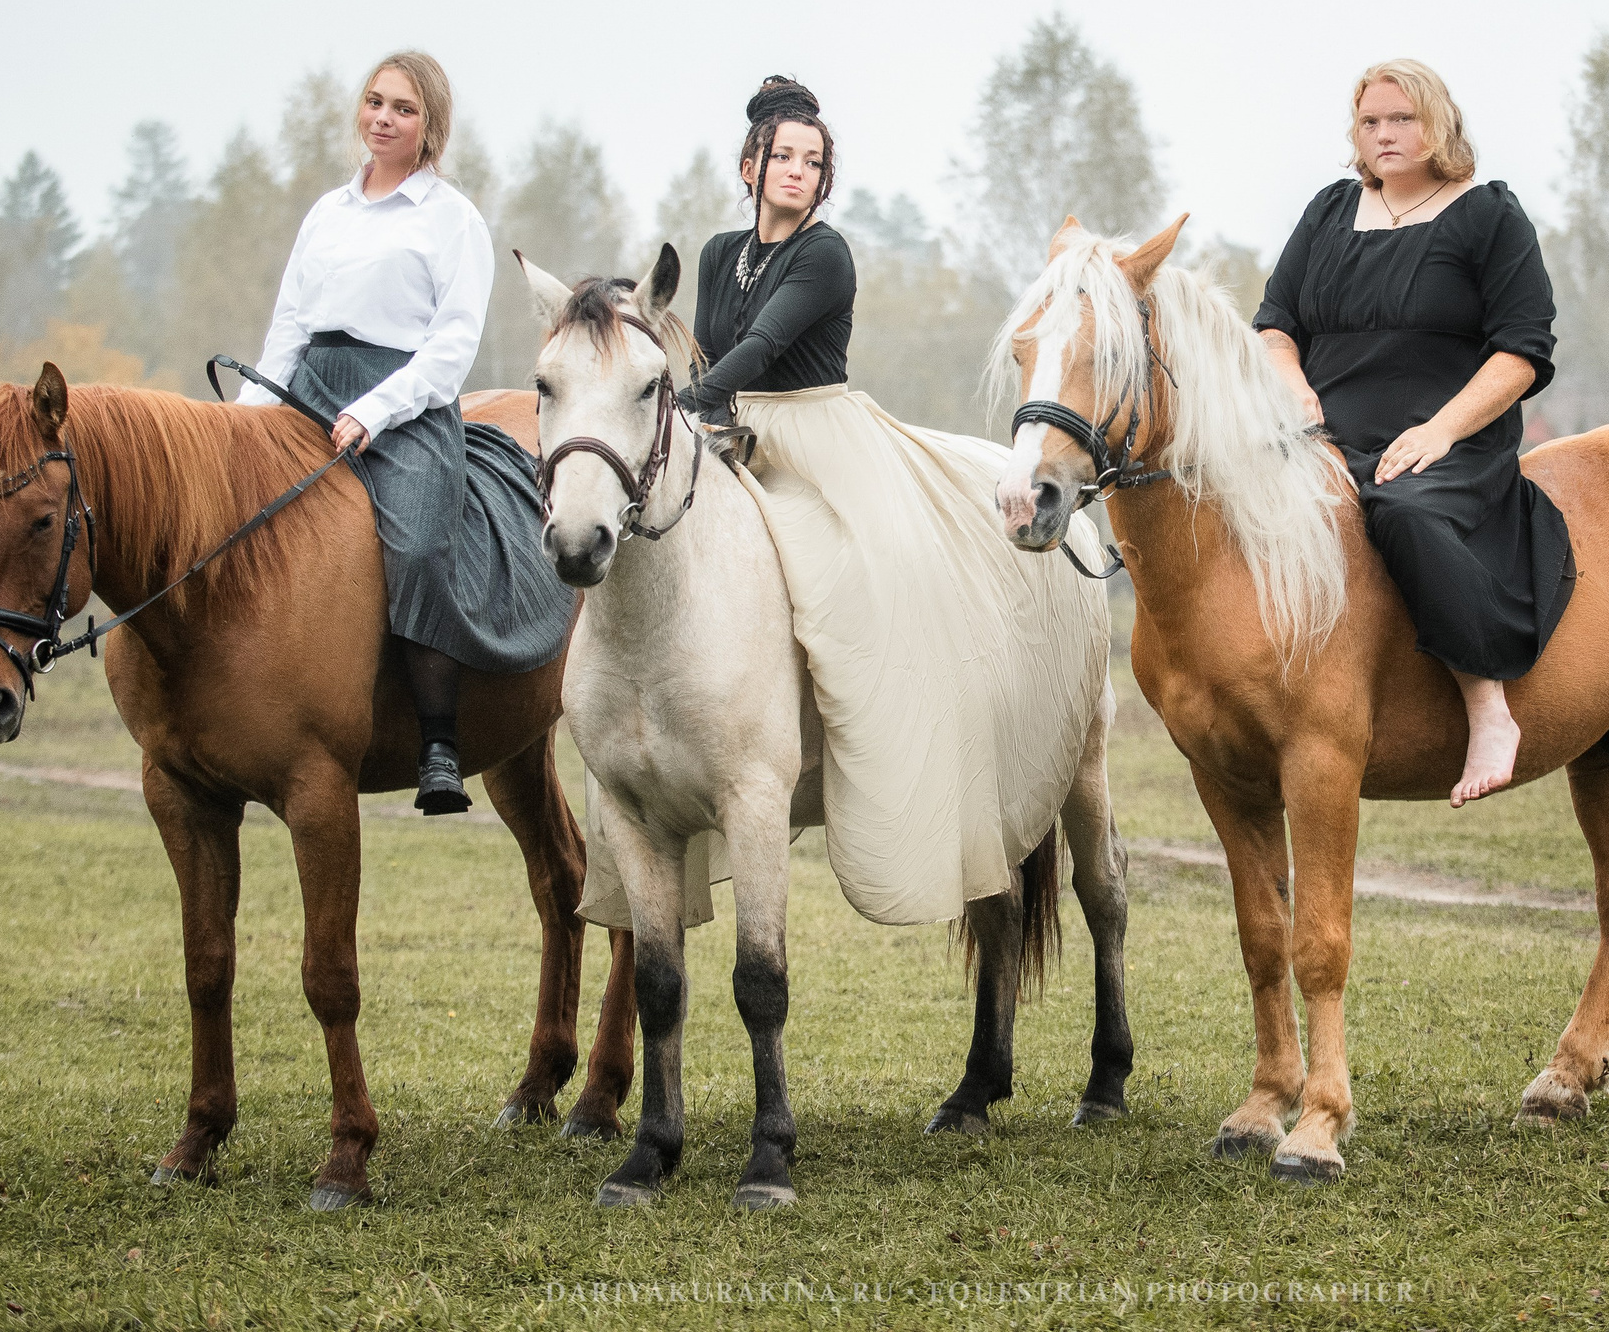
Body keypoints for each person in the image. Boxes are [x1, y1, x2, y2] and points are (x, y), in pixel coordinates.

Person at [655, 75, 1105, 927]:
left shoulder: (827, 255)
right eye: (783, 156)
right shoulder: (717, 251)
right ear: (749, 164)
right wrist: (698, 408)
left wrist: (698, 393)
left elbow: (764, 340)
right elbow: (716, 341)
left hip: (822, 437)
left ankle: (913, 741)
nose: (797, 171)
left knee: (869, 567)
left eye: (813, 161)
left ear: (826, 179)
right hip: (734, 429)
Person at [240, 50, 566, 814]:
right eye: (375, 102)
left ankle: (440, 742)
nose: (383, 117)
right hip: (310, 387)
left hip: (408, 407)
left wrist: (375, 410)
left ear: (431, 128)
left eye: (404, 108)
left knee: (418, 543)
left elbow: (451, 346)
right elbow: (289, 325)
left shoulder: (452, 219)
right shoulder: (327, 213)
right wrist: (246, 423)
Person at [1253, 59, 1574, 807]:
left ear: (1439, 123)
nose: (1386, 134)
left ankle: (1486, 706)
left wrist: (1440, 431)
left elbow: (1524, 349)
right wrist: (1296, 388)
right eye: (1371, 122)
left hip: (1447, 442)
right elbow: (1275, 325)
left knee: (1402, 510)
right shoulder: (1330, 213)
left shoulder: (1489, 215)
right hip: (1326, 439)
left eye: (1403, 118)